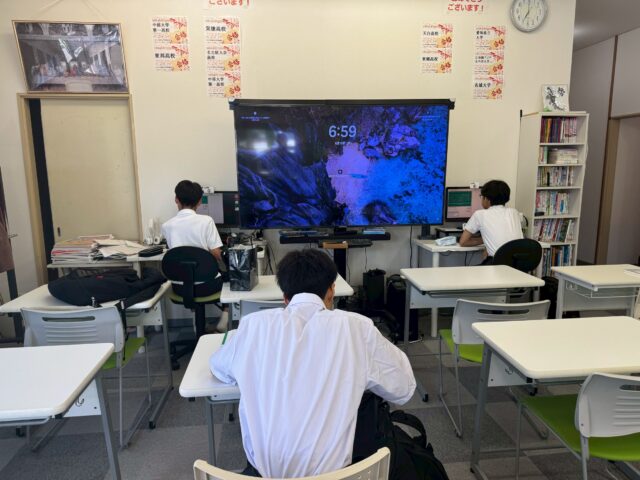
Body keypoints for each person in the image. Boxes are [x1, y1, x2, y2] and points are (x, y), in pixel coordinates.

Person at [210, 249, 416, 478]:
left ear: (285, 298)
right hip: (343, 476)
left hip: (265, 476)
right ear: (331, 291)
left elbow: (218, 367)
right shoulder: (358, 327)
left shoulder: (253, 325)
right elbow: (404, 388)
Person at [162, 180, 226, 315]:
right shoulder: (206, 221)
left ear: (176, 199)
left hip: (179, 288)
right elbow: (216, 253)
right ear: (199, 202)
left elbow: (177, 253)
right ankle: (226, 314)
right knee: (230, 277)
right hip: (207, 287)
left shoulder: (166, 226)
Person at [459, 179, 523, 263]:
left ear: (487, 199)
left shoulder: (480, 214)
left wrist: (485, 240)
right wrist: (488, 242)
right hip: (519, 264)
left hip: (498, 264)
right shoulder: (514, 212)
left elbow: (463, 242)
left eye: (481, 196)